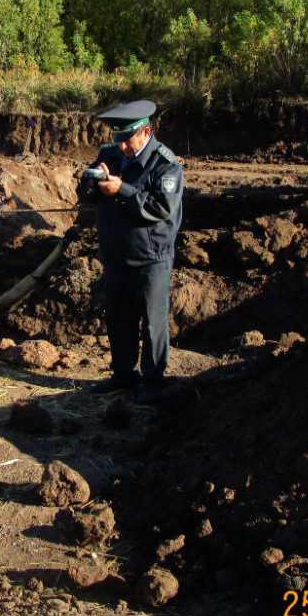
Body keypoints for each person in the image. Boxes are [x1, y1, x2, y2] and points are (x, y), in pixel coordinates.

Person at [77, 99, 184, 403]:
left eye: (127, 139)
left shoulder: (165, 163)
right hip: (115, 255)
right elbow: (84, 193)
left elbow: (161, 207)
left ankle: (153, 380)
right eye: (117, 139)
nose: (121, 146)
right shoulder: (109, 154)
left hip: (151, 259)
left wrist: (122, 189)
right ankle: (123, 374)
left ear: (146, 131)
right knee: (118, 319)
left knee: (152, 324)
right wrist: (93, 182)